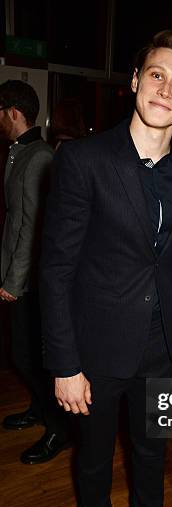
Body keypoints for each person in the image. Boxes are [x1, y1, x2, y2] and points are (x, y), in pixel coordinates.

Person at [40, 30, 172, 507]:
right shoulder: (83, 160)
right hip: (97, 350)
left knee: (153, 453)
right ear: (135, 81)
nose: (166, 88)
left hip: (162, 348)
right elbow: (56, 269)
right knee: (92, 457)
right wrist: (64, 363)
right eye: (156, 74)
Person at [0, 79, 71, 464]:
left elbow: (33, 227)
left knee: (29, 357)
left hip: (30, 281)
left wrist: (14, 281)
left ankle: (59, 430)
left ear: (13, 111)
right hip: (17, 274)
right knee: (23, 354)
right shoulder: (17, 152)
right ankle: (39, 410)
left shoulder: (40, 155)